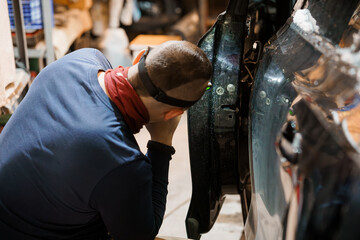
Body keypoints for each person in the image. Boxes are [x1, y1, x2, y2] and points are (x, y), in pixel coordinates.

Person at [0, 40, 212, 240]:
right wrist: (161, 142)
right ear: (172, 114)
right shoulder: (120, 160)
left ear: (139, 57)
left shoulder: (82, 59)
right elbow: (139, 236)